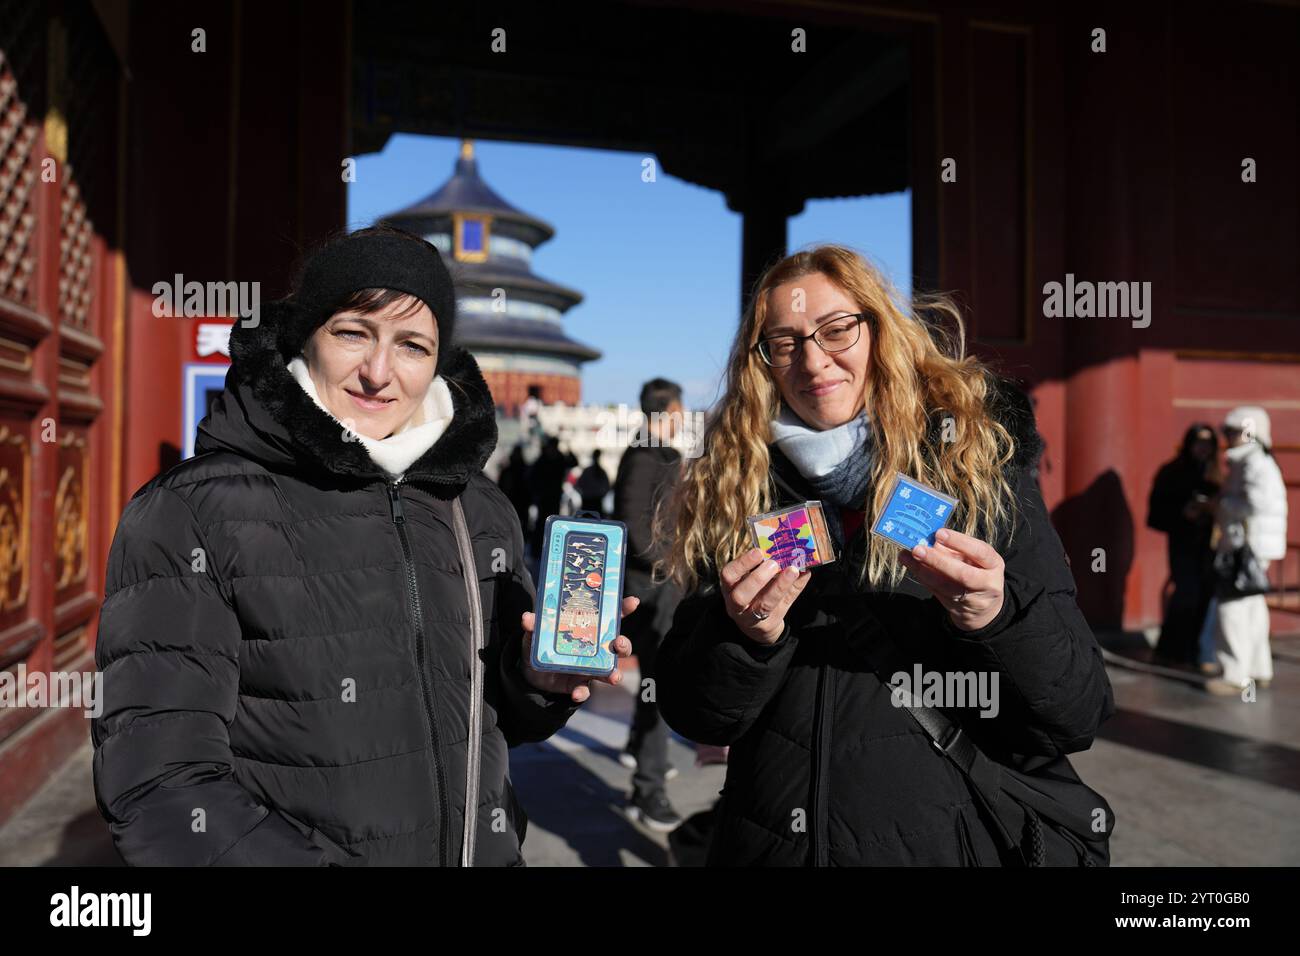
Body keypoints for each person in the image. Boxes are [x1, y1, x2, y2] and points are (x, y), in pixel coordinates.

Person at [91, 227, 634, 866]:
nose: (379, 373)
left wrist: (533, 680)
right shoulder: (191, 513)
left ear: (439, 363)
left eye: (413, 345)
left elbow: (483, 727)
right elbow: (159, 787)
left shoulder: (477, 507)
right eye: (353, 332)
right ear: (305, 336)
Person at [653, 245, 1114, 866]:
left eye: (837, 329)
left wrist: (994, 618)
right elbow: (696, 714)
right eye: (783, 343)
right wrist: (744, 638)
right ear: (761, 362)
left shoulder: (972, 467)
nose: (814, 361)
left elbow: (1077, 712)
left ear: (879, 328)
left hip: (942, 845)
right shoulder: (735, 488)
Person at [614, 378, 687, 831]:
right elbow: (633, 525)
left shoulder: (655, 453)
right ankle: (648, 789)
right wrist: (670, 564)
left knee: (653, 685)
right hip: (651, 586)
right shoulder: (646, 454)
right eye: (681, 409)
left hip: (656, 584)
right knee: (661, 686)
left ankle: (641, 754)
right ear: (668, 411)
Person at [1202, 406, 1288, 695]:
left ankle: (1235, 673)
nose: (1229, 437)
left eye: (1234, 431)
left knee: (1232, 607)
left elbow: (1257, 504)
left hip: (1245, 545)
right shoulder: (1252, 460)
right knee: (1251, 605)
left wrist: (1220, 506)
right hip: (1253, 544)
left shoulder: (1253, 462)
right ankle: (1258, 668)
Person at [1146, 423, 1221, 668]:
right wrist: (1183, 513)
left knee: (1206, 596)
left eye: (1209, 443)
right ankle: (1171, 653)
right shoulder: (1171, 473)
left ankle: (1197, 651)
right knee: (1187, 593)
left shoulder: (1216, 474)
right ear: (1188, 444)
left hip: (1212, 546)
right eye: (1198, 442)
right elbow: (1155, 515)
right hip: (1183, 543)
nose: (1203, 448)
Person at [576, 449, 612, 515]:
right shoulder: (600, 471)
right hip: (593, 500)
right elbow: (607, 487)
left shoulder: (589, 471)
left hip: (591, 500)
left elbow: (578, 484)